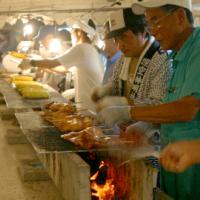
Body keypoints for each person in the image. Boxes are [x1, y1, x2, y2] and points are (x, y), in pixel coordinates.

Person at [98, 0, 200, 199]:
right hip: (173, 165)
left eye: (155, 21)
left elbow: (189, 108)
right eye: (149, 23)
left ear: (180, 17)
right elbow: (170, 106)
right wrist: (148, 124)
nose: (152, 30)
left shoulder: (196, 51)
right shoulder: (177, 57)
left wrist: (128, 111)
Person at [93, 8, 171, 106]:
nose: (119, 46)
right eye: (116, 40)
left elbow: (159, 104)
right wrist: (107, 90)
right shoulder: (123, 59)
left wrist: (124, 104)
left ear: (144, 32)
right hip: (124, 121)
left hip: (143, 121)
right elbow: (116, 83)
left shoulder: (161, 59)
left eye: (124, 37)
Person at [19, 20, 104, 112]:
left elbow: (53, 63)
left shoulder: (82, 48)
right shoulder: (90, 50)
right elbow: (64, 69)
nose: (71, 35)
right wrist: (44, 67)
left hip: (89, 107)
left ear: (79, 32)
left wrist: (31, 62)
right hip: (92, 106)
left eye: (72, 32)